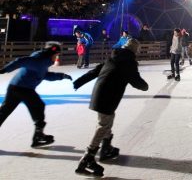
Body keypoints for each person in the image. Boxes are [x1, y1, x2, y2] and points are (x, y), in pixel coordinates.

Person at [73, 38, 148, 177]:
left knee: (108, 120)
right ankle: (87, 159)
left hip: (100, 93)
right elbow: (136, 81)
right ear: (135, 50)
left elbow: (96, 70)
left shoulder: (114, 56)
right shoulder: (129, 62)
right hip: (108, 96)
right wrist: (145, 86)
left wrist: (79, 81)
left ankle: (106, 148)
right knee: (103, 125)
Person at [0, 42, 72, 148]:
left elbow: (44, 75)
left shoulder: (43, 62)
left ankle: (38, 136)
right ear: (50, 53)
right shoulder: (39, 60)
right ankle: (38, 136)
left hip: (15, 87)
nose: (56, 58)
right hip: (23, 88)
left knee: (4, 112)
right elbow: (21, 61)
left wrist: (61, 76)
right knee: (38, 106)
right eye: (56, 55)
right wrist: (5, 69)